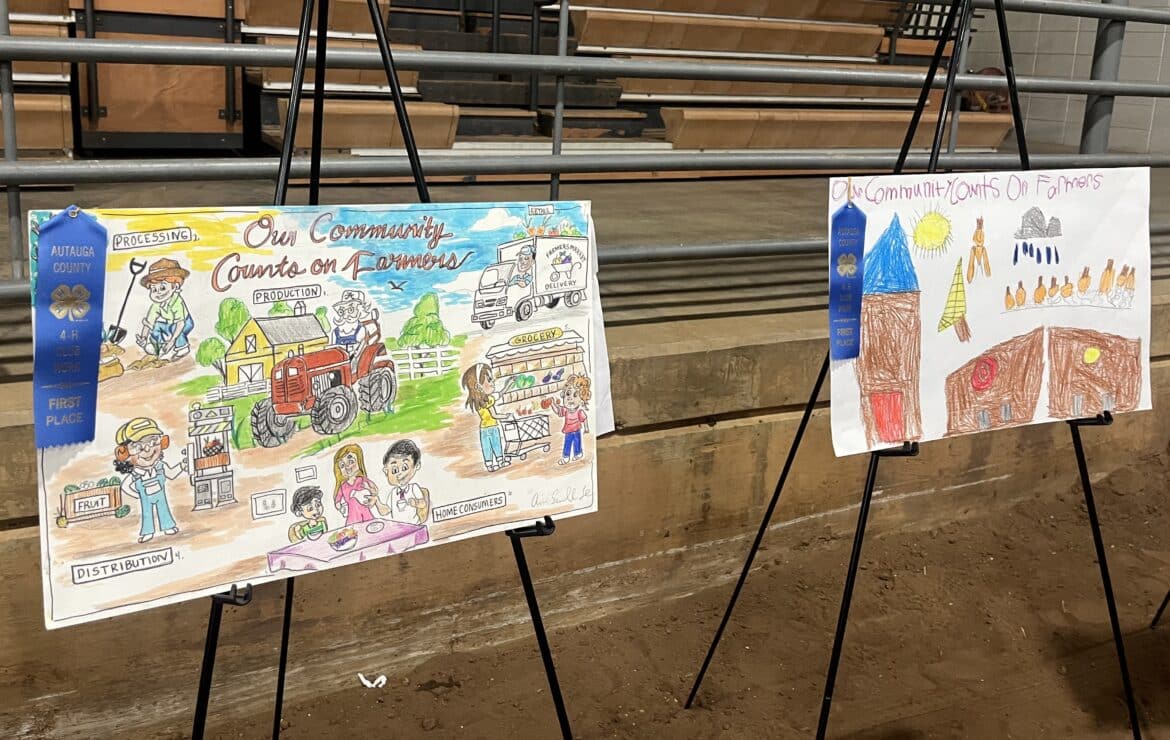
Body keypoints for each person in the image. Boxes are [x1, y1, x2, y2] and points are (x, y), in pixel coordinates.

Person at [113, 417, 186, 543]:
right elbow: (125, 487)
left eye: (153, 442)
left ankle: (168, 526)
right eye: (137, 447)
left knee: (163, 508)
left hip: (160, 495)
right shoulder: (136, 473)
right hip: (145, 498)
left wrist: (183, 466)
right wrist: (139, 495)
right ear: (124, 453)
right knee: (147, 513)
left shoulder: (160, 466)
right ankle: (147, 532)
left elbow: (171, 473)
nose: (147, 450)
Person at [136, 258, 194, 360]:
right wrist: (143, 338)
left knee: (175, 330)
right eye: (154, 290)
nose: (158, 293)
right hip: (171, 323)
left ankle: (182, 348)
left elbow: (180, 324)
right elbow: (149, 323)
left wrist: (171, 342)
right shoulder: (156, 305)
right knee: (157, 326)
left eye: (162, 288)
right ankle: (156, 346)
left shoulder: (177, 302)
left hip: (185, 322)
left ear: (175, 286)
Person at [461, 363, 508, 472]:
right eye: (489, 380)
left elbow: (500, 393)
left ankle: (489, 465)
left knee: (487, 447)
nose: (493, 383)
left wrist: (508, 384)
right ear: (478, 386)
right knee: (496, 444)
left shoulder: (478, 401)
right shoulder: (487, 401)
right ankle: (500, 462)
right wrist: (506, 416)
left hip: (483, 429)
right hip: (492, 427)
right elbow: (494, 415)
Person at [377, 439, 431, 526]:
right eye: (394, 470)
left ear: (416, 466)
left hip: (414, 526)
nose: (399, 474)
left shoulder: (414, 488)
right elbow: (386, 511)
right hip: (398, 528)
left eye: (404, 468)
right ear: (386, 471)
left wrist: (415, 503)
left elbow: (423, 504)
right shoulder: (393, 493)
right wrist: (376, 501)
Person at [332, 443, 379, 525]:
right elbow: (337, 499)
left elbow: (375, 491)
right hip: (352, 515)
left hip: (365, 511)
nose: (347, 467)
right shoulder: (343, 486)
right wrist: (340, 507)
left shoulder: (362, 479)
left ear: (359, 462)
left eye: (351, 462)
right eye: (342, 465)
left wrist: (368, 488)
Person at [549, 373, 591, 465]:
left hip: (577, 431)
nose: (570, 398)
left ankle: (578, 453)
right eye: (568, 394)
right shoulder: (565, 410)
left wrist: (586, 428)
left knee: (577, 443)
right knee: (567, 444)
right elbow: (558, 411)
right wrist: (553, 404)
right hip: (568, 431)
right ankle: (566, 457)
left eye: (575, 395)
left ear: (581, 400)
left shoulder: (579, 412)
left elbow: (584, 419)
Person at [331, 289, 374, 354]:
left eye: (351, 310)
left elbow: (362, 352)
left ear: (360, 311)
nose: (346, 315)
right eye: (342, 311)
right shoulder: (335, 332)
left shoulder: (361, 330)